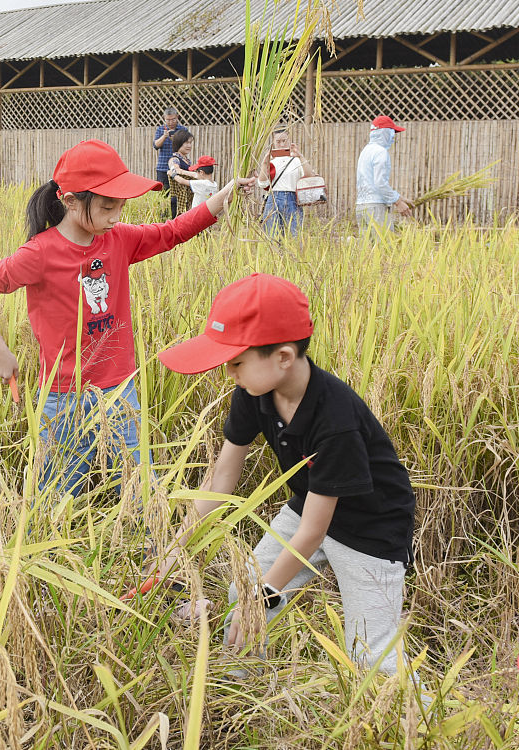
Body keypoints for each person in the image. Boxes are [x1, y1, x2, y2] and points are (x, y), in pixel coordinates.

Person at [156, 274, 415, 675]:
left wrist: (261, 599)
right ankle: (241, 688)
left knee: (370, 654)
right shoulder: (253, 393)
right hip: (310, 505)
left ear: (283, 357)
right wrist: (177, 546)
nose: (230, 374)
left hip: (370, 529)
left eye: (236, 362)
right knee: (242, 590)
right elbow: (222, 477)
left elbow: (312, 533)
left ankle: (423, 721)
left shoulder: (336, 420)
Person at [0, 139, 248, 499]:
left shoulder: (118, 240)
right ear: (70, 201)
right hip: (62, 397)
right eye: (107, 206)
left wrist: (223, 196)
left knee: (139, 491)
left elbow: (172, 231)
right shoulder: (39, 253)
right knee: (54, 498)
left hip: (119, 391)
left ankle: (152, 551)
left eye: (120, 206)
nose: (116, 216)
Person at [355, 115, 411, 235]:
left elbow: (369, 182)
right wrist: (397, 202)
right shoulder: (381, 152)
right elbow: (380, 183)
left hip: (361, 206)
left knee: (368, 249)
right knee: (384, 248)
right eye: (392, 133)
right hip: (376, 209)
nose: (393, 138)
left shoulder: (366, 151)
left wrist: (400, 197)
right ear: (384, 133)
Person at [258, 128, 317, 237]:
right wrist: (264, 164)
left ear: (289, 141)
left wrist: (300, 155)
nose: (281, 144)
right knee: (273, 236)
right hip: (273, 198)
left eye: (284, 141)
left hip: (292, 199)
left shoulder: (296, 160)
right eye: (278, 142)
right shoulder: (270, 161)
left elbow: (309, 175)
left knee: (295, 236)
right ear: (273, 143)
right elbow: (262, 184)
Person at [152, 107, 190, 219]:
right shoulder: (160, 130)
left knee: (178, 195)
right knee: (163, 195)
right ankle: (162, 218)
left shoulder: (182, 130)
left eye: (173, 119)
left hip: (179, 167)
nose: (170, 122)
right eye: (168, 120)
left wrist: (175, 139)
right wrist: (164, 136)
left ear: (177, 117)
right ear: (164, 119)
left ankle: (176, 218)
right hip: (163, 168)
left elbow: (185, 147)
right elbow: (156, 145)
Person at [165, 130, 196, 220]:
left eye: (190, 143)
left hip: (187, 197)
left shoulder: (186, 160)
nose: (189, 146)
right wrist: (194, 175)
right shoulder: (174, 159)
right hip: (179, 199)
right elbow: (175, 170)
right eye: (186, 143)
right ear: (179, 143)